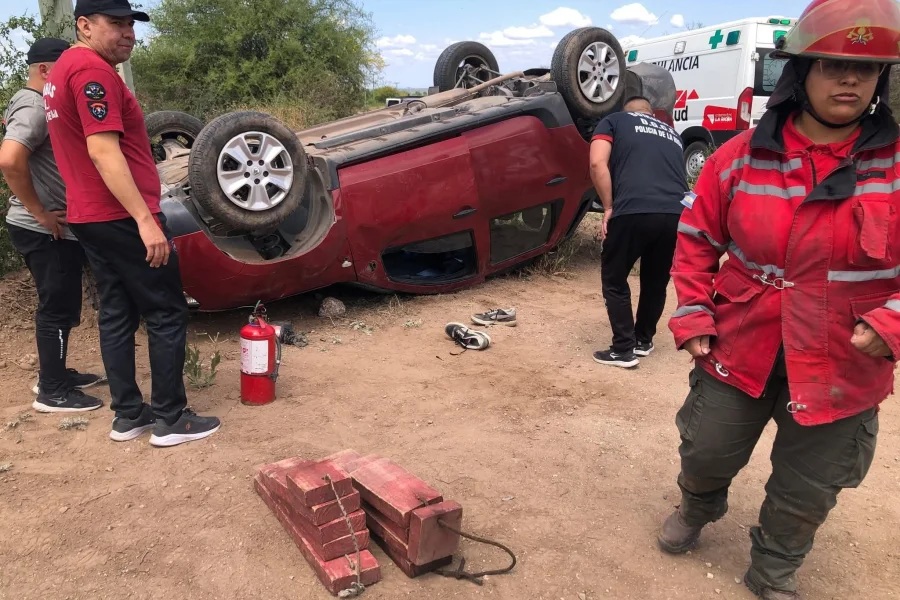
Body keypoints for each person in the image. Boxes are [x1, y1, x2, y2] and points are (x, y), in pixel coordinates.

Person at [659, 1, 900, 598]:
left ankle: (774, 569)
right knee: (707, 448)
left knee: (809, 483)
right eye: (830, 65)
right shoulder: (739, 156)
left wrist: (894, 319)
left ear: (880, 80)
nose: (849, 80)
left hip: (842, 362)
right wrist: (692, 312)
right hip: (741, 344)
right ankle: (698, 505)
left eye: (865, 70)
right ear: (800, 74)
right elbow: (695, 240)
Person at [43, 0, 220, 447]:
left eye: (130, 24)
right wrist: (145, 219)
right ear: (84, 25)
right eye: (115, 24)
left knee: (117, 312)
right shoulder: (93, 73)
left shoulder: (63, 68)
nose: (127, 33)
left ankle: (128, 415)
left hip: (90, 216)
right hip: (120, 215)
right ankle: (170, 418)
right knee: (165, 311)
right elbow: (103, 151)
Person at [0, 38, 106, 413]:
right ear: (46, 71)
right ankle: (52, 390)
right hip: (44, 228)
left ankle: (56, 373)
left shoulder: (38, 104)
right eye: (65, 70)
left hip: (51, 226)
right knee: (57, 308)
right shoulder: (33, 106)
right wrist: (42, 212)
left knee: (61, 304)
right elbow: (10, 160)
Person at [589, 96, 688, 368]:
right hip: (675, 214)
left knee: (614, 277)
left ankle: (623, 349)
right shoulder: (672, 134)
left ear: (627, 111)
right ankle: (643, 340)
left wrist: (608, 206)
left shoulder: (614, 121)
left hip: (633, 208)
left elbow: (598, 164)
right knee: (656, 280)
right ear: (650, 113)